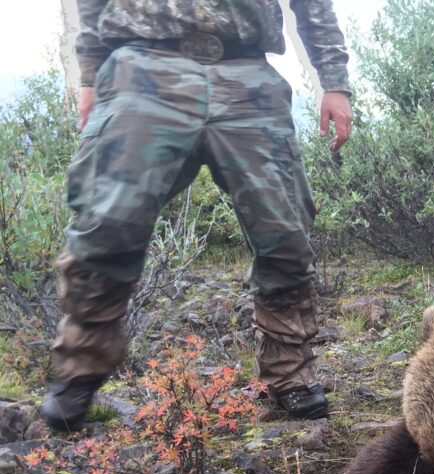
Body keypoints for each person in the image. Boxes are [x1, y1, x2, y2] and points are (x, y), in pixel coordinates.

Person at [39, 0, 353, 432]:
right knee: (107, 222)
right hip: (143, 67)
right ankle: (81, 365)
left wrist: (333, 81)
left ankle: (290, 373)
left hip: (247, 74)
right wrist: (90, 74)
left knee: (285, 230)